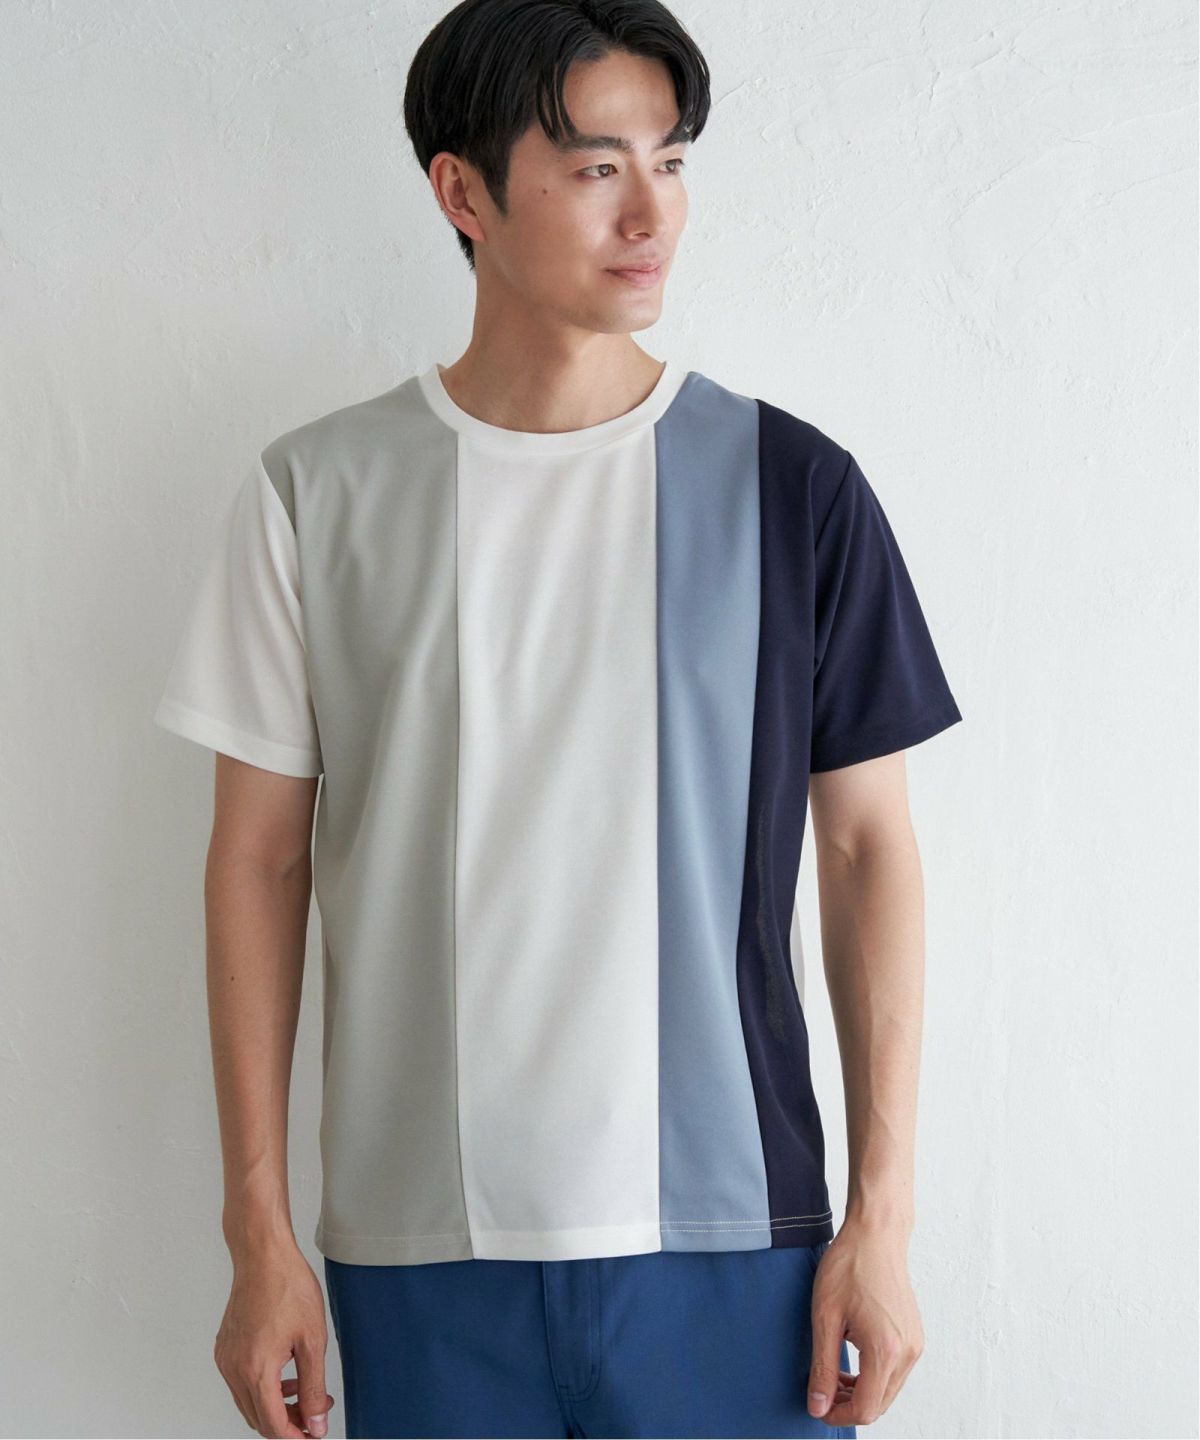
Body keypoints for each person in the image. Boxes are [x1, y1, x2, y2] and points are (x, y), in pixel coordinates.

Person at [153, 1, 964, 1435]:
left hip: (740, 1246)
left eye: (672, 159)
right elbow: (257, 862)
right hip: (418, 1252)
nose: (652, 212)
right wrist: (257, 1234)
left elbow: (867, 853)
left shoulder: (794, 491)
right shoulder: (314, 494)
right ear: (461, 192)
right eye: (596, 167)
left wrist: (882, 1221)